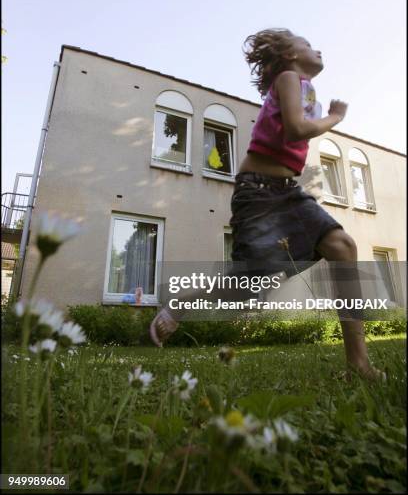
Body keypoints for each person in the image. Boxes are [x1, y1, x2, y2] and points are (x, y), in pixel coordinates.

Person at [149, 27, 385, 382]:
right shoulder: (289, 77)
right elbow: (293, 129)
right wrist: (335, 118)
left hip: (286, 190)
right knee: (248, 285)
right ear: (290, 55)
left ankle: (358, 366)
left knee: (343, 247)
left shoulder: (308, 92)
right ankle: (182, 304)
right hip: (258, 193)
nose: (316, 48)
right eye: (307, 44)